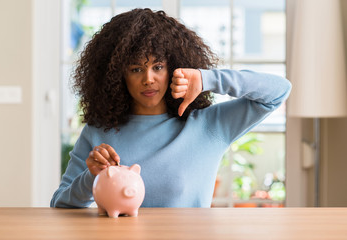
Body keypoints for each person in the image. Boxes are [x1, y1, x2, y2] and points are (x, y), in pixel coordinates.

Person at [51, 8, 292, 208]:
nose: (148, 79)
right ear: (117, 76)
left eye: (158, 67)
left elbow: (278, 90)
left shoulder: (209, 125)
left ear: (175, 67)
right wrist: (90, 177)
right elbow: (59, 205)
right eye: (136, 69)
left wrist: (207, 79)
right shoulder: (98, 132)